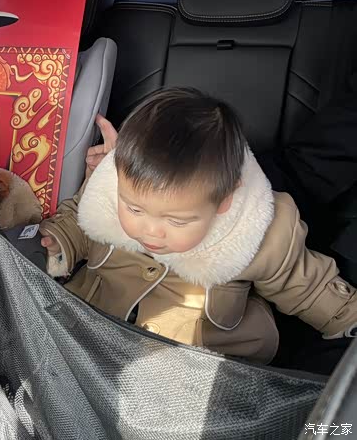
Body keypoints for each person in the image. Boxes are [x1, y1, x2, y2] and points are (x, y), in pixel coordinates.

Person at [39, 87, 357, 364]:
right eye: (134, 209)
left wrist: (344, 317)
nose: (150, 230)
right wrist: (60, 241)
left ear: (224, 202)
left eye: (177, 220)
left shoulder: (259, 230)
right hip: (91, 332)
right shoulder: (112, 186)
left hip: (202, 360)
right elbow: (79, 219)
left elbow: (307, 288)